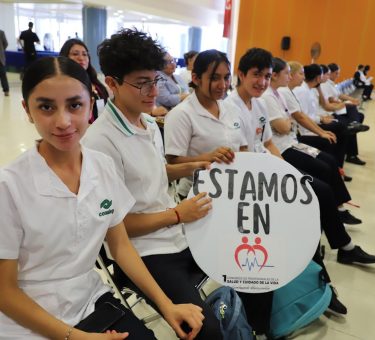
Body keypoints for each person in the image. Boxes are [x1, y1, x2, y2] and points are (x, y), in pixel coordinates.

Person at [0, 56, 205, 340]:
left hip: (89, 301)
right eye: (46, 107)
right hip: (28, 320)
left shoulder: (101, 166)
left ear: (90, 104)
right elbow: (5, 292)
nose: (63, 121)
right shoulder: (9, 186)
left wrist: (167, 306)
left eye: (75, 105)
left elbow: (120, 246)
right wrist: (77, 337)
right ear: (27, 110)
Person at [82, 28, 222, 340]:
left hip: (179, 233)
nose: (153, 91)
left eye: (155, 80)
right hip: (145, 250)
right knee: (204, 327)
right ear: (112, 84)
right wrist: (177, 214)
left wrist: (193, 165)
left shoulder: (147, 123)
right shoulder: (99, 142)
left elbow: (154, 174)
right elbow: (117, 229)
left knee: (244, 270)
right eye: (142, 83)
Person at [225, 47, 348, 316]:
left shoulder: (258, 102)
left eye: (267, 76)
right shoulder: (230, 108)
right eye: (257, 75)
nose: (262, 82)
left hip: (268, 172)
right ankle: (317, 281)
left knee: (314, 197)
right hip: (249, 184)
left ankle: (318, 282)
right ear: (241, 74)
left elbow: (268, 142)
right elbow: (245, 158)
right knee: (307, 209)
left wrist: (287, 172)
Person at [164, 48, 274, 339]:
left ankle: (257, 326)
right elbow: (171, 164)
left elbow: (242, 152)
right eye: (215, 78)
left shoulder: (232, 110)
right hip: (198, 197)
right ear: (196, 78)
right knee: (244, 253)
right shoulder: (182, 115)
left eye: (226, 78)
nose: (223, 85)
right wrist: (208, 157)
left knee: (264, 247)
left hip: (234, 193)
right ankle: (242, 320)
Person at [259, 57, 375, 260]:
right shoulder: (269, 96)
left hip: (288, 145)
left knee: (328, 163)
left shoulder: (277, 94)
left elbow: (290, 123)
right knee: (324, 174)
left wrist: (292, 124)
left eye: (295, 73)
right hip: (283, 150)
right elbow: (287, 125)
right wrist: (294, 126)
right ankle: (341, 237)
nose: (292, 76)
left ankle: (338, 212)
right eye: (288, 73)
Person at [60, 38, 109, 123]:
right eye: (75, 54)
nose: (81, 58)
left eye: (85, 54)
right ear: (65, 57)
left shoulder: (95, 83)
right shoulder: (61, 85)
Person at [0, 29, 9, 96]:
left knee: (3, 74)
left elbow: (5, 44)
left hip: (0, 58)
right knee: (3, 74)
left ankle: (6, 90)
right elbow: (5, 44)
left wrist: (2, 50)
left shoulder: (1, 32)